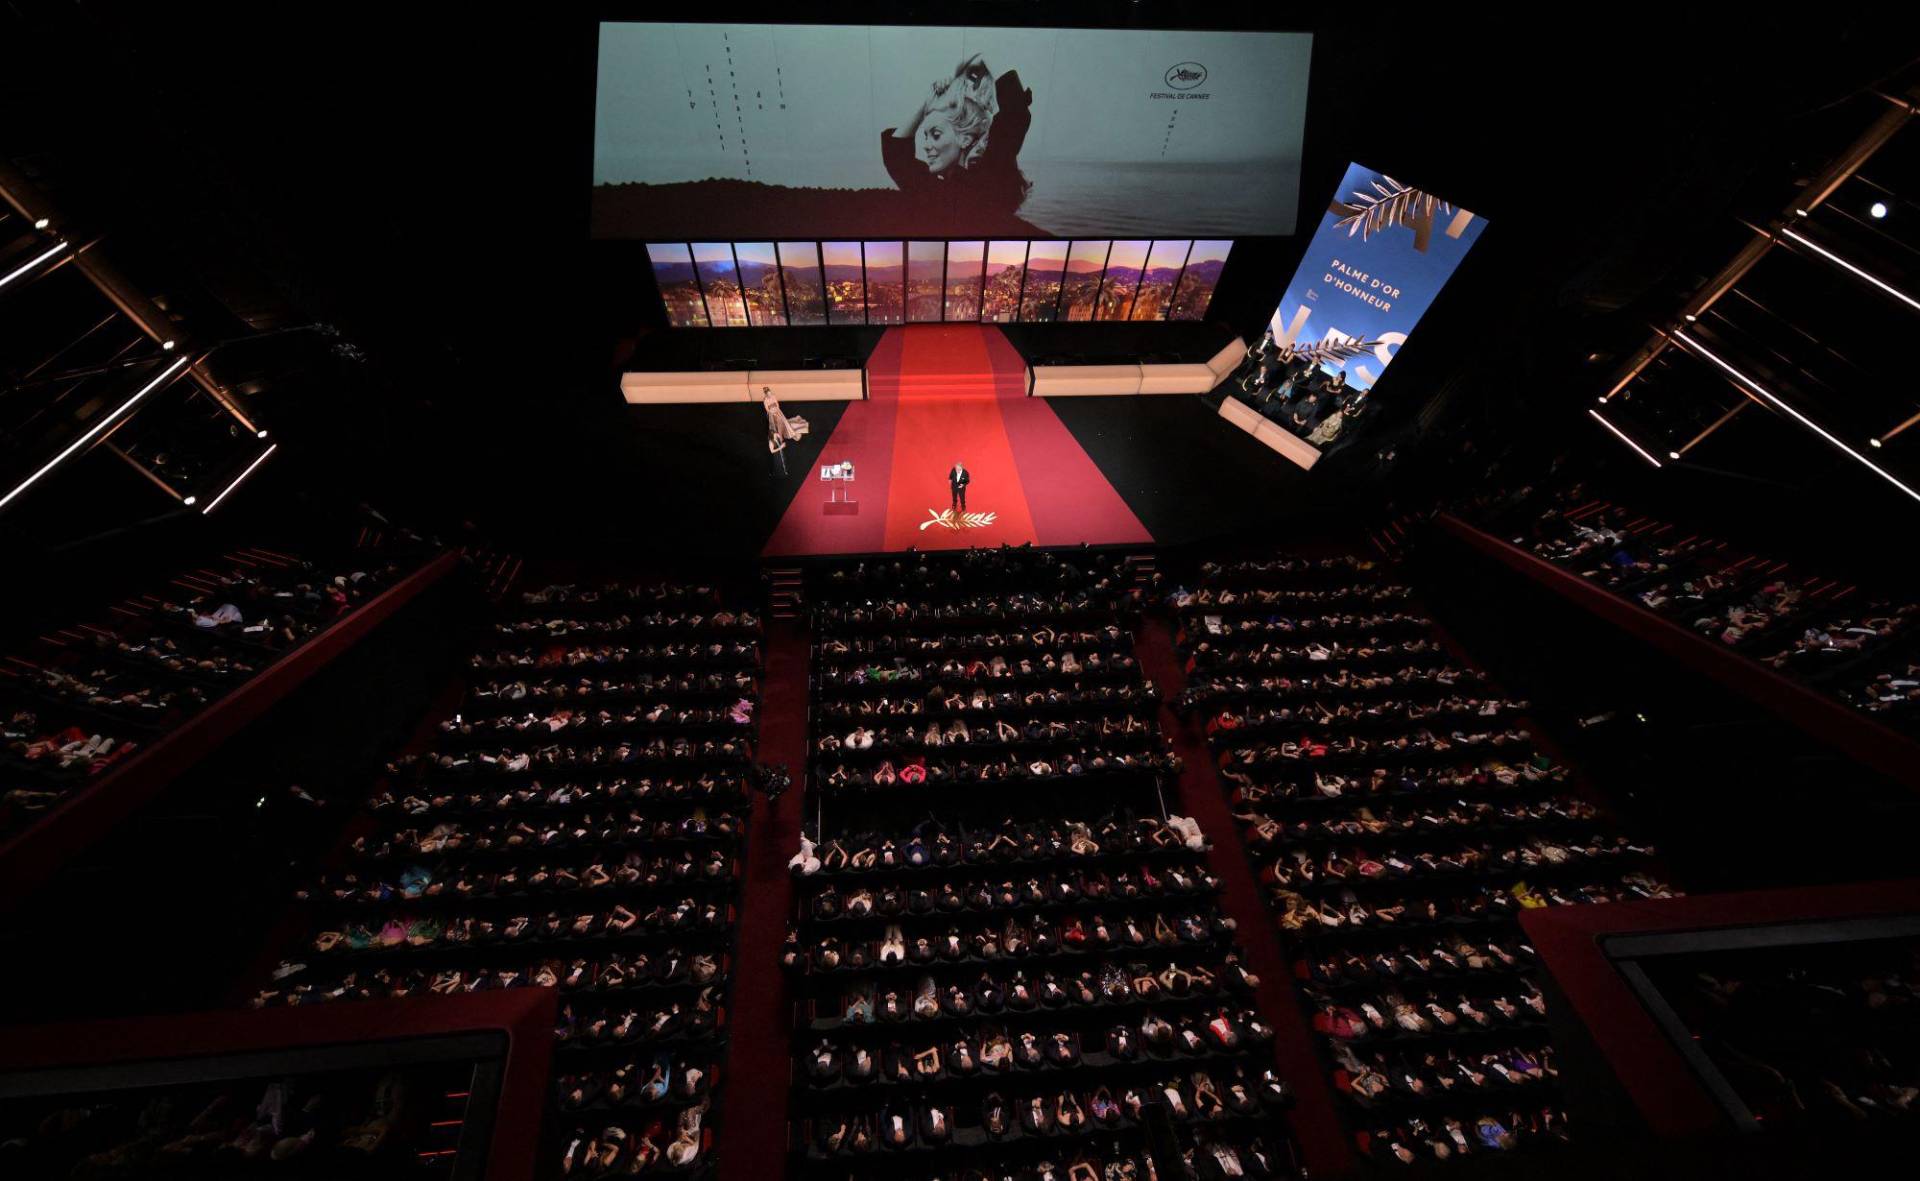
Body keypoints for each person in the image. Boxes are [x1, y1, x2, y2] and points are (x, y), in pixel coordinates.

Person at [882, 55, 1032, 217]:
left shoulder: (987, 182)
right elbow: (897, 158)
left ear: (965, 138)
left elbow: (1015, 114)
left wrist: (983, 59)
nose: (926, 145)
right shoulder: (937, 191)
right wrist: (926, 104)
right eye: (926, 136)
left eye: (936, 135)